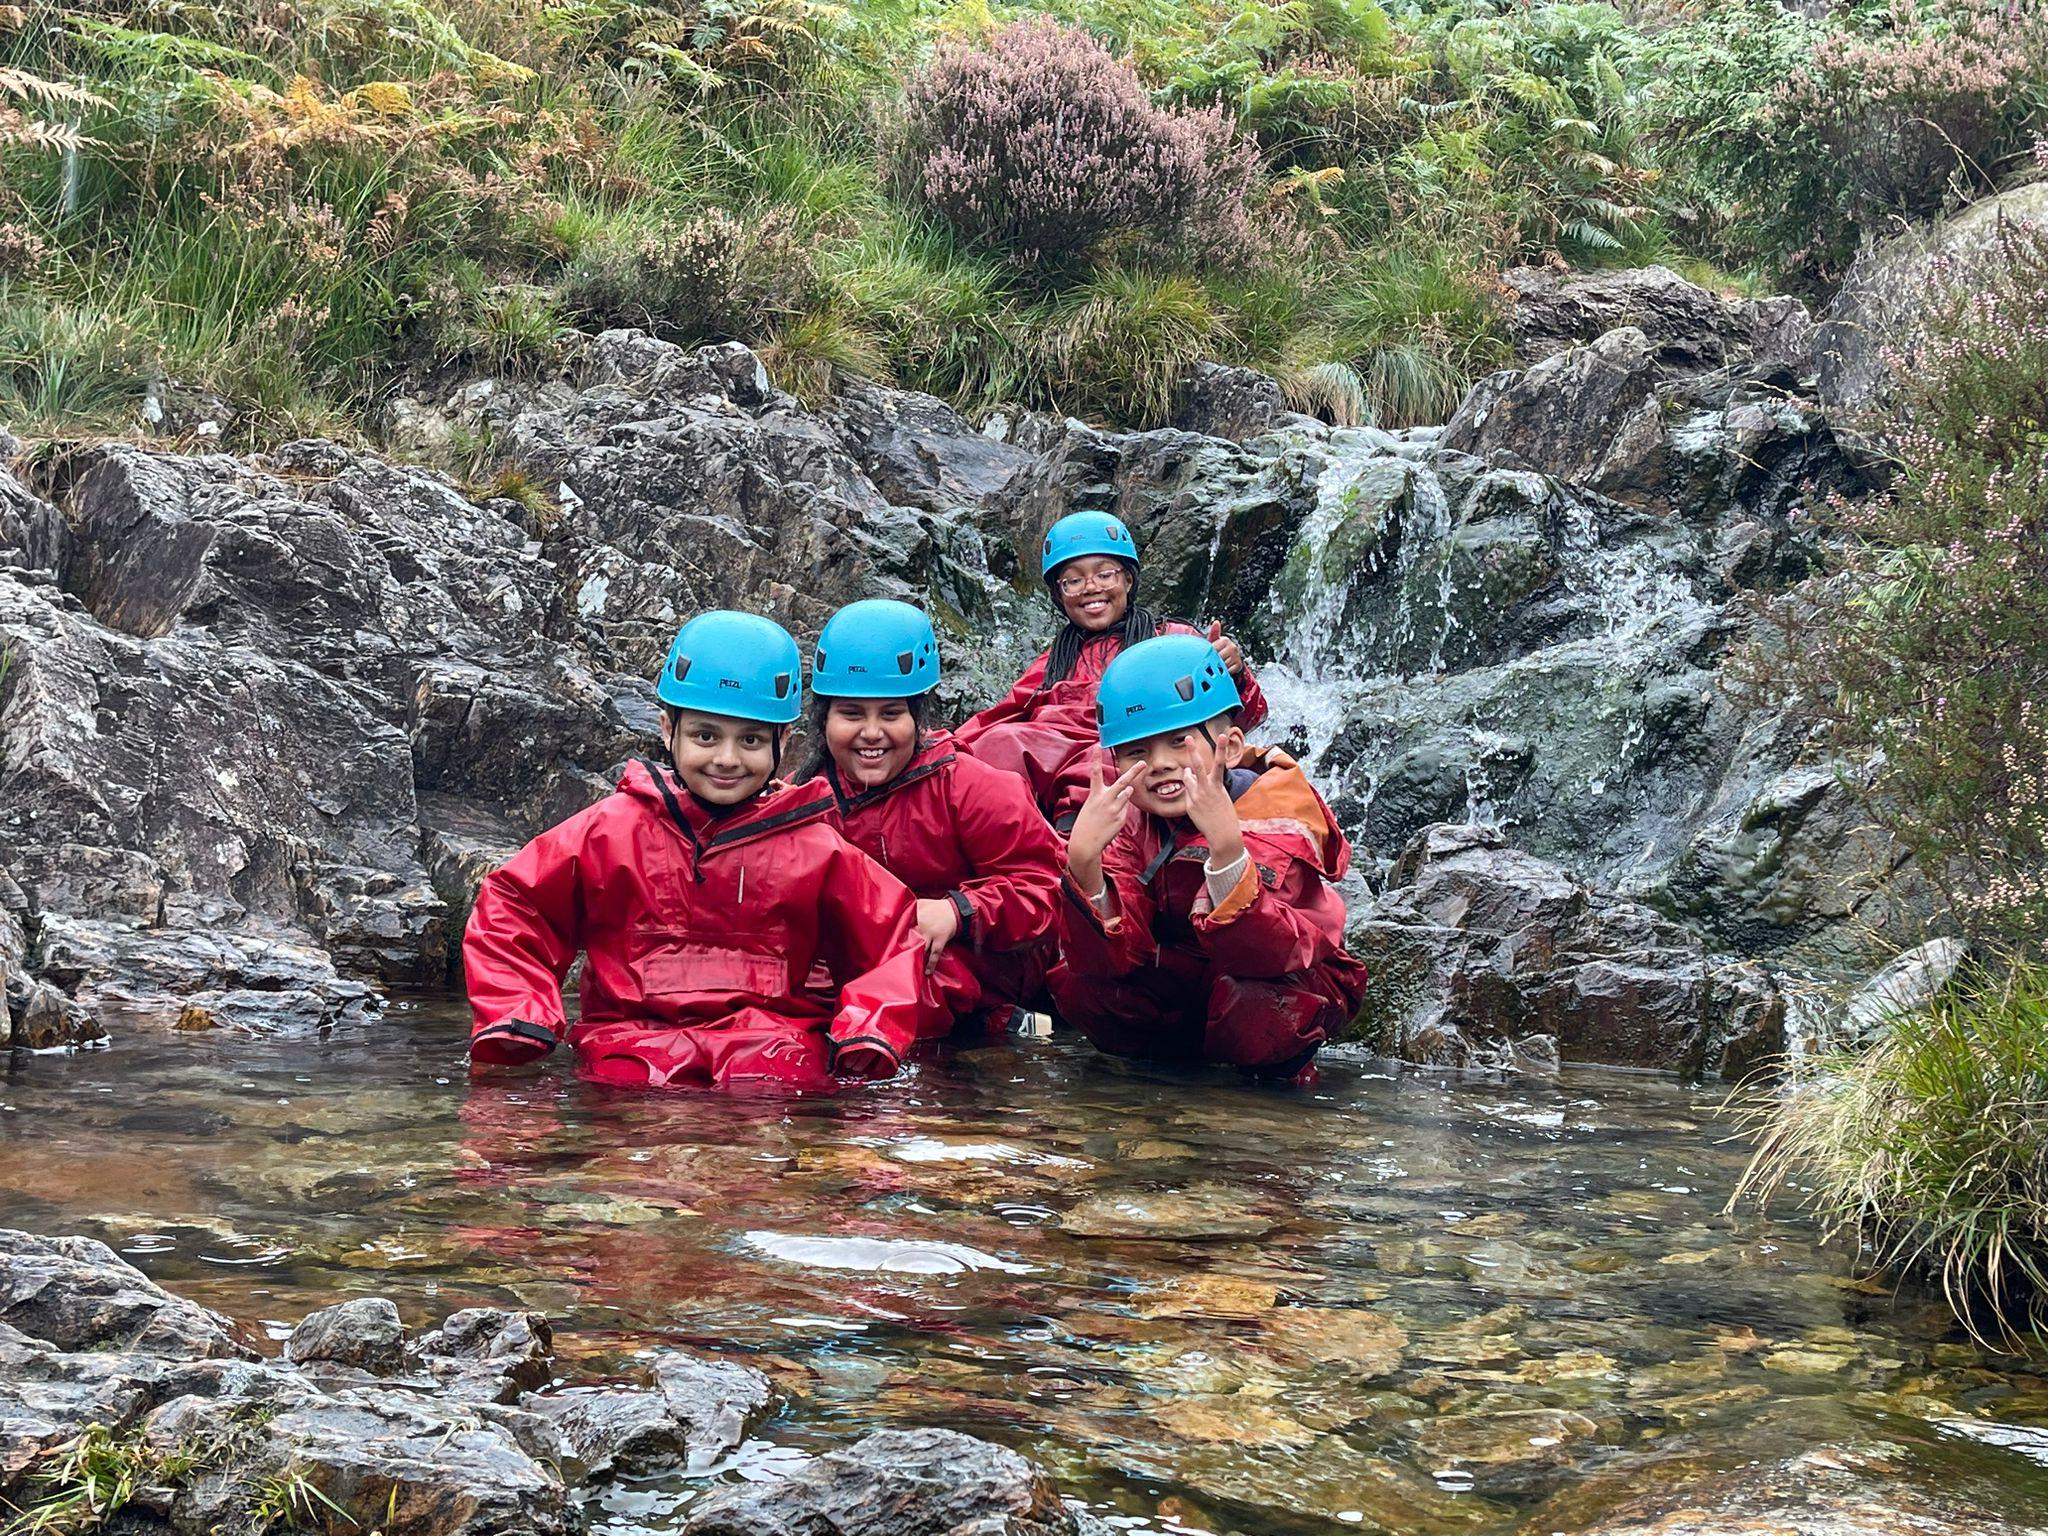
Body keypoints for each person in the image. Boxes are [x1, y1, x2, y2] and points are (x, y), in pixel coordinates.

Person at [463, 610, 941, 1092]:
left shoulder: (816, 847)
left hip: (774, 1049)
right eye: (705, 736)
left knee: (786, 1088)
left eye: (750, 739)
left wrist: (868, 1032)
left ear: (783, 742)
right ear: (667, 729)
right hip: (627, 1046)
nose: (727, 759)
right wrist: (519, 1016)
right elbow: (514, 907)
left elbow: (891, 939)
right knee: (618, 1095)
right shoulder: (608, 830)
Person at [1052, 632, 1368, 1081]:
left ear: (1231, 747)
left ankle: (1277, 1088)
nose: (1159, 763)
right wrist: (1084, 864)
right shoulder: (1127, 821)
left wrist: (1226, 851)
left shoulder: (1275, 813)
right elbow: (1110, 958)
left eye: (1179, 741)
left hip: (1284, 974)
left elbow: (1274, 952)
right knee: (1079, 982)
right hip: (1191, 979)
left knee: (1256, 1003)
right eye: (1137, 751)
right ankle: (1158, 1080)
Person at [803, 599, 1064, 1045]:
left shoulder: (971, 786)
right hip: (857, 966)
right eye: (851, 714)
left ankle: (965, 1023)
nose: (871, 733)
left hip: (968, 959)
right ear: (824, 720)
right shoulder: (805, 799)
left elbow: (1049, 890)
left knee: (912, 981)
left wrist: (958, 912)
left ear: (918, 718)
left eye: (891, 713)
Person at [956, 510, 1268, 825]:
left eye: (1105, 574)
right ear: (1059, 596)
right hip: (1055, 764)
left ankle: (1073, 831)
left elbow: (1246, 717)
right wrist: (945, 748)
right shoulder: (1053, 662)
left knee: (1110, 760)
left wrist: (1235, 673)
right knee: (999, 742)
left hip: (1129, 754)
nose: (1091, 587)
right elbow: (998, 717)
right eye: (1073, 581)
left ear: (1128, 580)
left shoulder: (1172, 641)